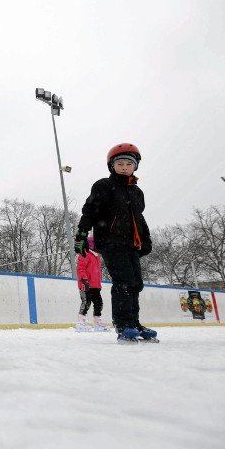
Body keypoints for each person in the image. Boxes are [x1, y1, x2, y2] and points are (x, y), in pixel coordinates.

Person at [74, 143, 156, 344]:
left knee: (136, 283)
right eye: (120, 163)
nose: (125, 167)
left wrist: (146, 239)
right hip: (110, 241)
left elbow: (139, 218)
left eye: (129, 163)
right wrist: (82, 233)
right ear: (112, 166)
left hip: (130, 244)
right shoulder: (104, 185)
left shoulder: (137, 192)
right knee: (124, 281)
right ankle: (123, 324)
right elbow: (89, 210)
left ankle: (134, 323)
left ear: (135, 167)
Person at [75, 235, 109, 332]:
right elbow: (80, 268)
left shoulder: (97, 256)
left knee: (99, 303)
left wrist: (98, 284)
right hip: (85, 283)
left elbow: (96, 272)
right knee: (86, 302)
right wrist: (84, 280)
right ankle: (80, 322)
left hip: (95, 285)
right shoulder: (85, 253)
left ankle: (97, 322)